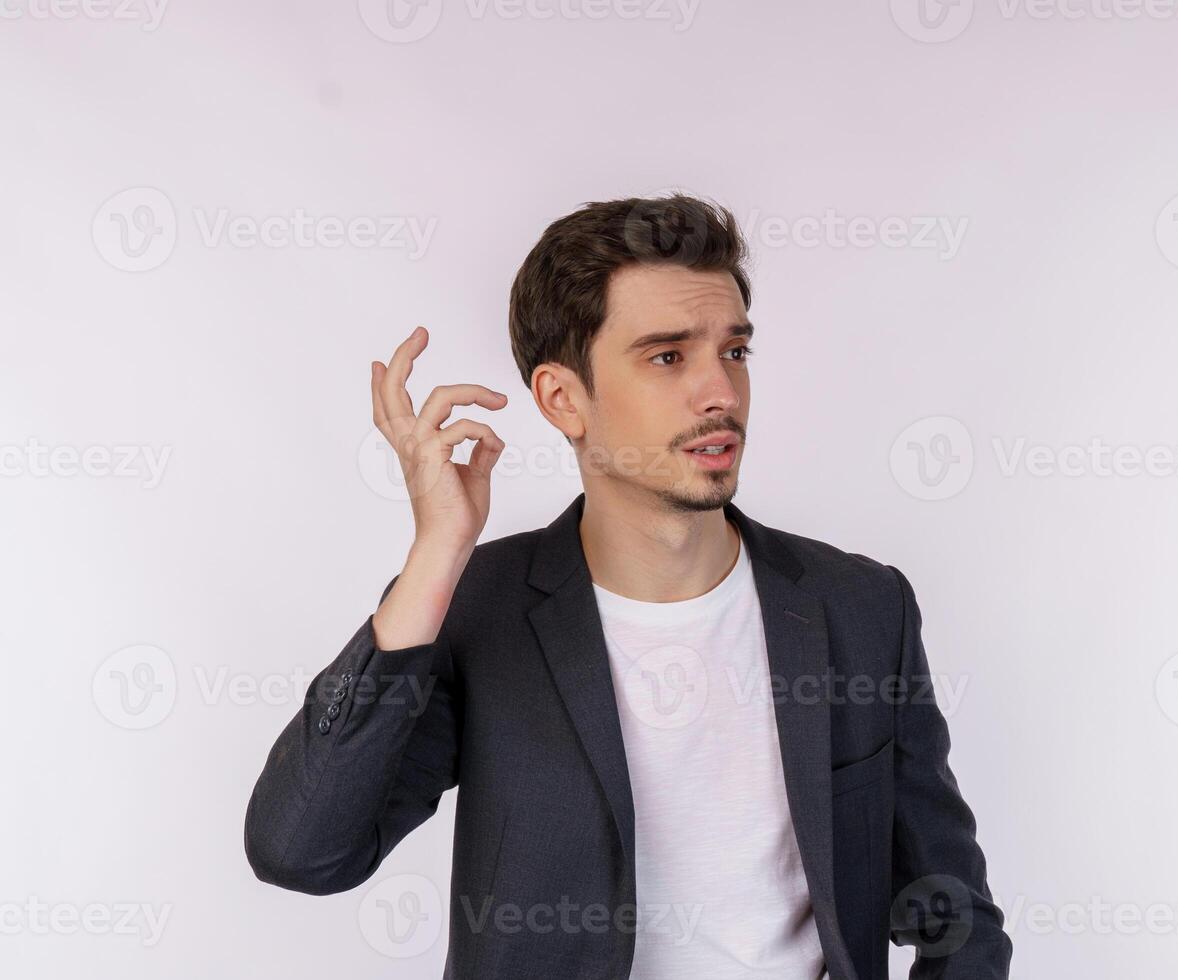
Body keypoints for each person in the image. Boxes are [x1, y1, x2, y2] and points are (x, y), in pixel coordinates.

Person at [242, 193, 1012, 980]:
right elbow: (302, 851)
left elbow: (953, 910)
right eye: (668, 357)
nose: (720, 393)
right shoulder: (480, 609)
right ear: (563, 399)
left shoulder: (858, 607)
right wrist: (437, 556)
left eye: (735, 353)